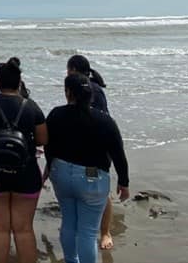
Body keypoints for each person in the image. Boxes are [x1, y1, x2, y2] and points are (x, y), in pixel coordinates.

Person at [45, 72, 130, 263]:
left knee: (68, 223)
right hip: (92, 178)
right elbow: (118, 152)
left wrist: (49, 167)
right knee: (88, 232)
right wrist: (124, 182)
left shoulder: (56, 114)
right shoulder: (104, 120)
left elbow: (48, 145)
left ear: (68, 93)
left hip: (62, 174)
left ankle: (70, 260)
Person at [0, 59, 48, 263]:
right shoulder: (31, 106)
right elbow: (42, 139)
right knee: (23, 230)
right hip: (26, 173)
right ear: (19, 81)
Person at [67, 54, 113, 249]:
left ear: (75, 70)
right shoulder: (85, 88)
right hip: (82, 150)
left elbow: (98, 121)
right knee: (86, 188)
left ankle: (105, 232)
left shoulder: (91, 90)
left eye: (68, 70)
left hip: (96, 152)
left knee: (99, 191)